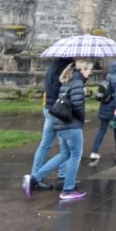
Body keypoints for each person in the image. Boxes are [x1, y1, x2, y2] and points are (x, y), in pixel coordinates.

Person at [23, 57, 91, 202]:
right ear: (83, 69)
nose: (90, 73)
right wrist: (81, 119)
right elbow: (78, 106)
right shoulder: (77, 82)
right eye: (89, 70)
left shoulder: (67, 78)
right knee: (75, 154)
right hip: (69, 122)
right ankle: (68, 189)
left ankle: (34, 178)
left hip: (59, 118)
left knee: (64, 153)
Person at [28, 56, 73, 190]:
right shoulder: (65, 68)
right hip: (58, 111)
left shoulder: (53, 66)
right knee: (66, 148)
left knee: (45, 145)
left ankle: (34, 177)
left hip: (49, 108)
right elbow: (60, 89)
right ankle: (63, 176)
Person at [89, 60, 116, 160]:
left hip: (105, 105)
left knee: (102, 129)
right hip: (114, 107)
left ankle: (94, 151)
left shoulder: (108, 76)